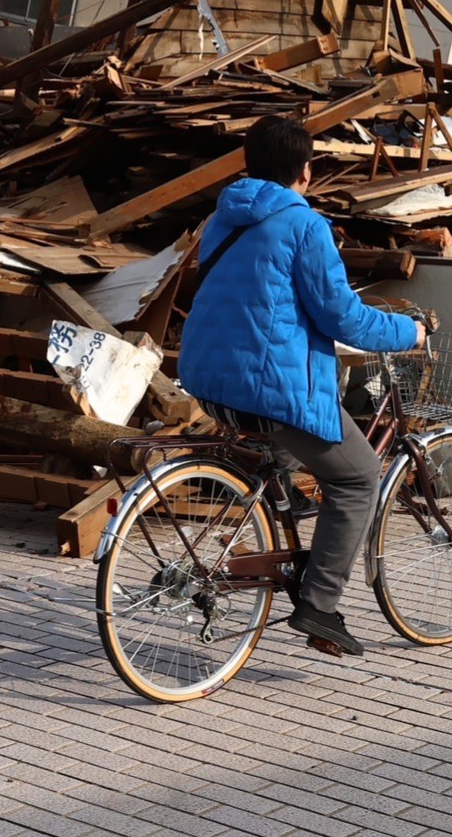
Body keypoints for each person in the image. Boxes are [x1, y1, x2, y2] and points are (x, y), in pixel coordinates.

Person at [175, 115, 424, 658]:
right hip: (266, 388)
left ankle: (283, 529)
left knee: (287, 457)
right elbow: (344, 319)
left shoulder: (223, 217)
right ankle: (320, 605)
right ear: (306, 171)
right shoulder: (304, 225)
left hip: (212, 378)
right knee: (359, 477)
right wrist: (410, 331)